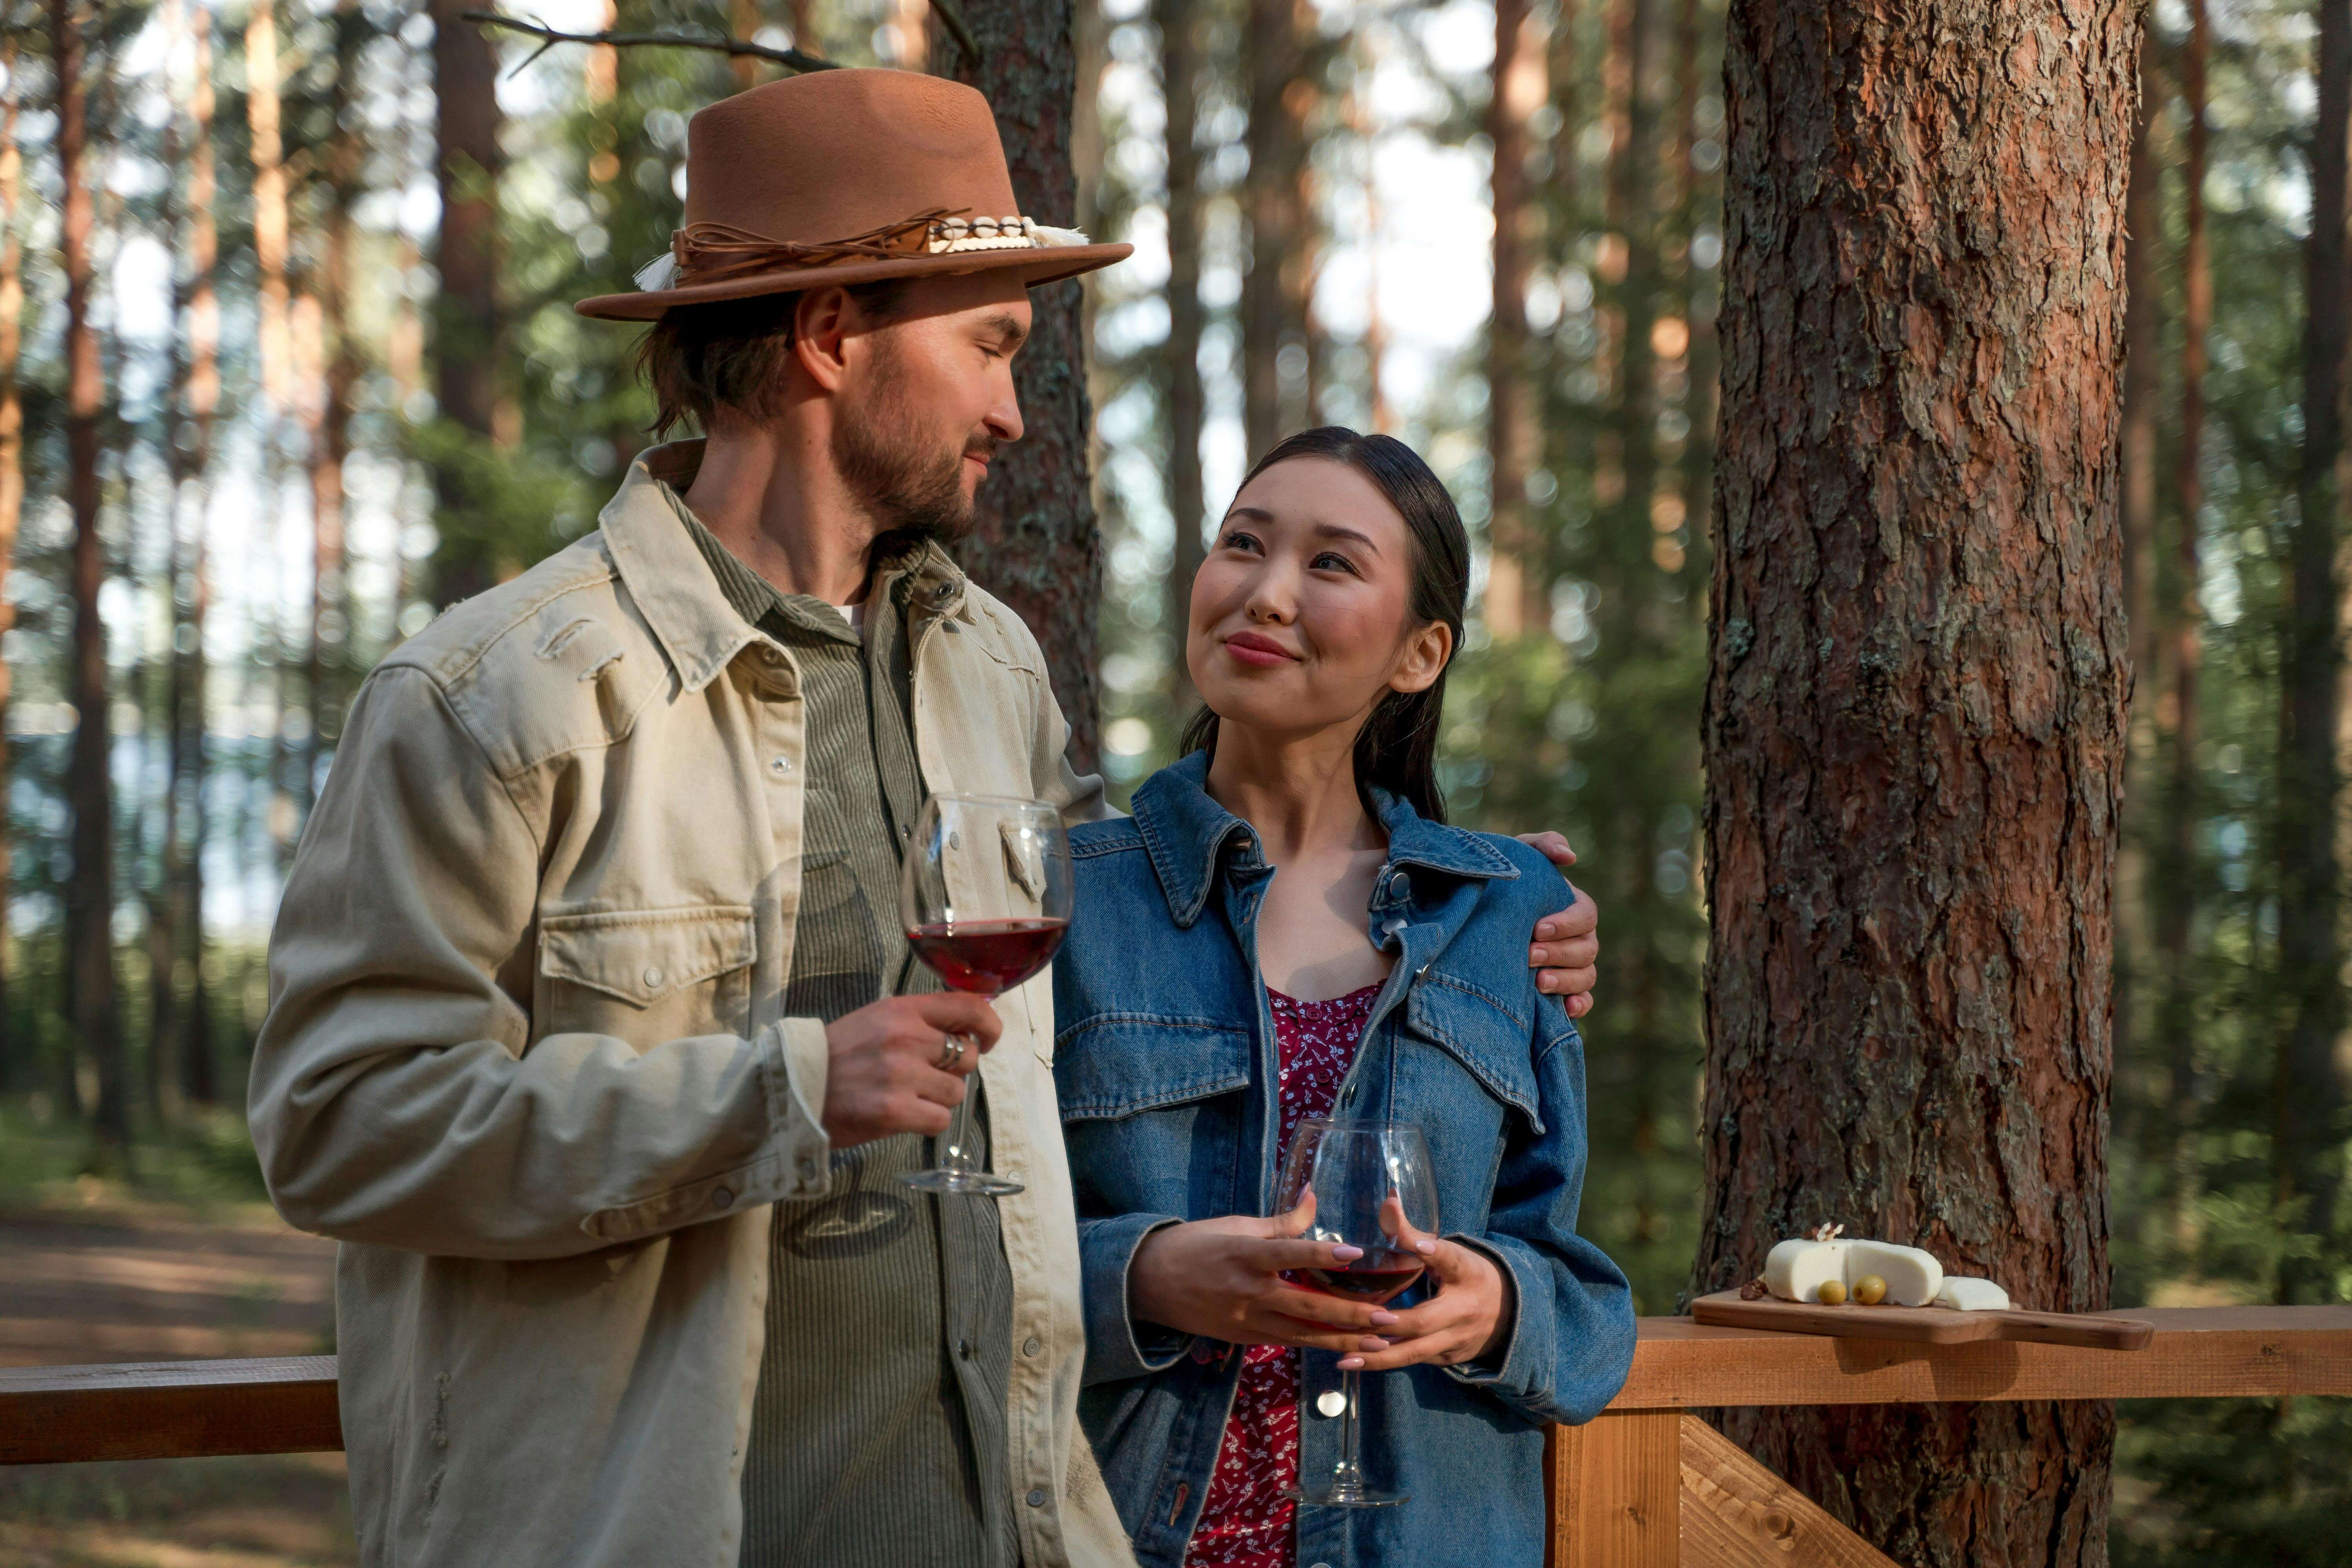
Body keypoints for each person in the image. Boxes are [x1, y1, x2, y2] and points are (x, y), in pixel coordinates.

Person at [247, 69, 1601, 1568]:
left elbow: (1167, 902)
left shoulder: (986, 664)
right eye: (991, 347)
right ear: (833, 335)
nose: (1015, 410)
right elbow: (335, 1126)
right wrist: (785, 1092)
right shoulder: (494, 695)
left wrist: (1485, 902)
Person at [1054, 428, 1638, 1568]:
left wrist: (1498, 1303)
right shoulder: (1068, 902)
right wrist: (1146, 1276)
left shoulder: (1505, 913)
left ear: (1420, 654)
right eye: (1243, 544)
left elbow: (1583, 1304)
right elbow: (957, 1256)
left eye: (1330, 563)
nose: (1266, 593)